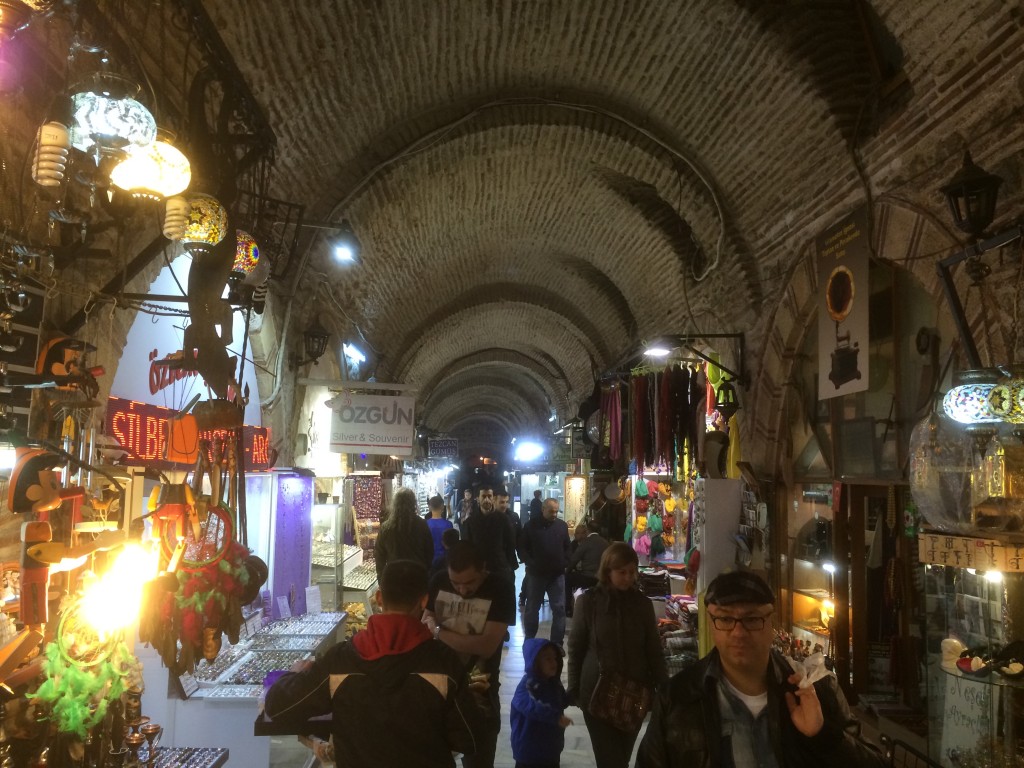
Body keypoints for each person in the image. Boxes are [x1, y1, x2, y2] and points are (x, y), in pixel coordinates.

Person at [635, 570, 887, 768]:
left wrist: (822, 735)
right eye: (725, 619)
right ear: (711, 623)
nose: (738, 632)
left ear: (771, 622)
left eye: (752, 619)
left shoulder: (816, 690)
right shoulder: (678, 698)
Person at [264, 560, 481, 767]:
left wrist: (292, 675)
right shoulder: (444, 663)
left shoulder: (340, 660)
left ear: (378, 598)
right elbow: (469, 737)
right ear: (423, 601)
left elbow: (279, 708)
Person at [567, 542, 667, 768]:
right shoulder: (589, 602)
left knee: (621, 756)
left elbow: (653, 648)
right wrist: (573, 688)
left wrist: (664, 686)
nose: (628, 578)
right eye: (621, 572)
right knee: (610, 759)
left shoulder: (642, 604)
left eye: (632, 572)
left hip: (635, 693)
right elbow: (576, 648)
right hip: (596, 691)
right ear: (607, 571)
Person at [424, 540, 517, 768]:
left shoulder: (500, 588)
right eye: (456, 583)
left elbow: (486, 646)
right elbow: (425, 619)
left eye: (469, 583)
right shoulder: (438, 581)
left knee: (479, 758)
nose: (462, 590)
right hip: (438, 686)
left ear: (483, 569)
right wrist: (430, 626)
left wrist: (437, 631)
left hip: (479, 689)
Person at [510, 638, 573, 768]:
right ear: (535, 663)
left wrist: (575, 697)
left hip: (551, 750)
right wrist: (555, 717)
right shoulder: (527, 686)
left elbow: (561, 701)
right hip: (529, 752)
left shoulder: (554, 684)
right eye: (548, 659)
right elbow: (530, 707)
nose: (554, 662)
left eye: (555, 658)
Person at [520, 497, 570, 646]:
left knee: (559, 609)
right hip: (536, 574)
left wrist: (566, 562)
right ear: (543, 510)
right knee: (532, 608)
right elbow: (522, 548)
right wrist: (530, 562)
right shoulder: (531, 526)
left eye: (556, 511)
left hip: (557, 575)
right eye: (551, 511)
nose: (554, 514)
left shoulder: (562, 526)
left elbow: (567, 546)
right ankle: (529, 639)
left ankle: (557, 643)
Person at [463, 483, 519, 584]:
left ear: (493, 498)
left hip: (500, 569)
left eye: (489, 496)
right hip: (479, 571)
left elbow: (510, 544)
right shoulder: (470, 522)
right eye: (483, 496)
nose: (487, 499)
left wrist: (509, 566)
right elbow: (467, 547)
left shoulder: (503, 519)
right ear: (477, 499)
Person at [374, 487, 434, 580]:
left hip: (394, 577)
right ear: (413, 503)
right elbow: (429, 552)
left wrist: (381, 579)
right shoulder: (422, 524)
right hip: (417, 575)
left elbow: (379, 556)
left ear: (395, 504)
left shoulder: (386, 527)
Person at [565, 519, 608, 617]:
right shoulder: (605, 543)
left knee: (567, 579)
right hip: (602, 577)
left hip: (587, 577)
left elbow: (574, 560)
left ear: (587, 530)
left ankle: (568, 609)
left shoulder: (586, 542)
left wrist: (567, 571)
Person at [426, 493, 455, 564]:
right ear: (442, 507)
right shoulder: (448, 524)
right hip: (445, 559)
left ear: (430, 507)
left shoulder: (425, 524)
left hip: (429, 559)